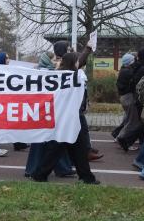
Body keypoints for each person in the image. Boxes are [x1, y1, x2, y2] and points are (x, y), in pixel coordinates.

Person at [31, 53, 99, 184]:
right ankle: (40, 174)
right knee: (66, 148)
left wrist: (89, 49)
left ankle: (41, 174)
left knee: (70, 149)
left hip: (67, 117)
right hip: (70, 118)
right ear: (74, 63)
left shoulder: (63, 75)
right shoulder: (71, 77)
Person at [114, 53, 140, 151]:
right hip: (128, 98)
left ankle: (119, 137)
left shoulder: (123, 70)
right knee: (132, 121)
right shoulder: (128, 72)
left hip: (124, 98)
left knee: (128, 119)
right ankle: (122, 139)